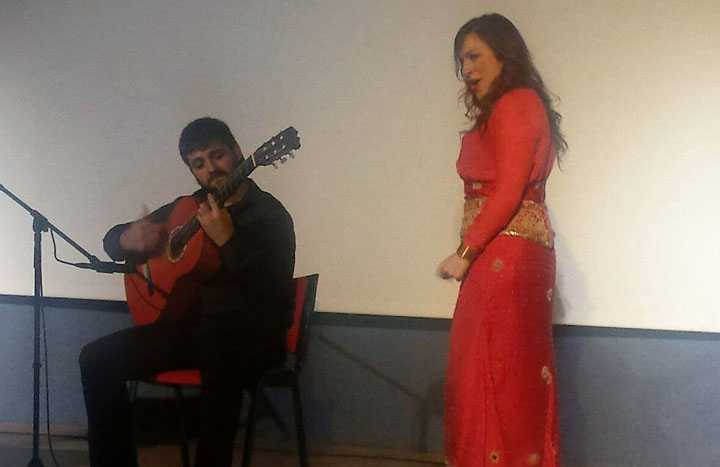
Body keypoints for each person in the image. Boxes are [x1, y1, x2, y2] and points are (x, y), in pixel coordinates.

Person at [79, 117, 296, 467]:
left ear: (238, 152)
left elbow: (273, 293)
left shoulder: (270, 215)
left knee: (220, 347)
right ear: (192, 171)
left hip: (253, 336)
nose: (211, 169)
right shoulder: (188, 208)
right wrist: (124, 238)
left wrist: (228, 241)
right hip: (191, 332)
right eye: (199, 163)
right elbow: (116, 240)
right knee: (95, 359)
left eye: (218, 155)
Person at [437, 14, 567, 467]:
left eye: (474, 56)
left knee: (488, 373)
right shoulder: (520, 104)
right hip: (513, 255)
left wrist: (465, 252)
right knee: (505, 373)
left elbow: (509, 189)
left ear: (503, 54)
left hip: (504, 256)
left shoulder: (515, 103)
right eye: (461, 61)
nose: (466, 70)